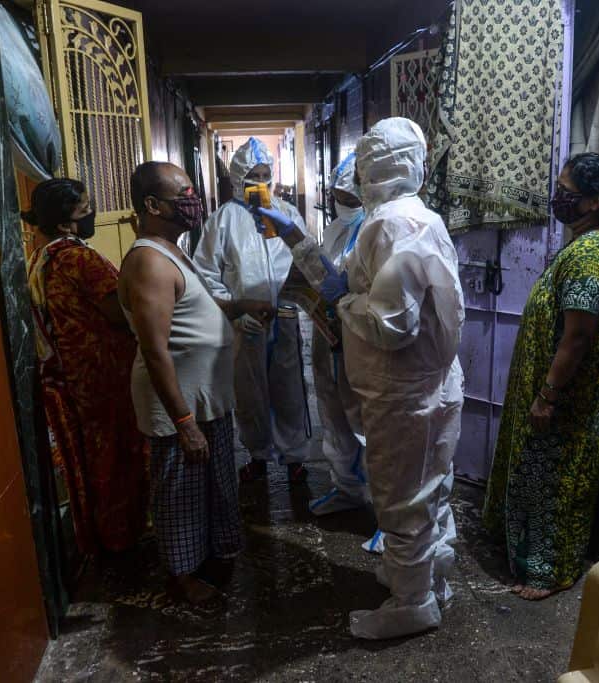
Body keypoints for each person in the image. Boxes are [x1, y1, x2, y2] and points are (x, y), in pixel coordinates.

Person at [255, 118, 465, 640]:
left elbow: (389, 323)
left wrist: (346, 305)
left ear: (373, 168)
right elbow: (338, 278)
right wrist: (296, 238)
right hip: (429, 384)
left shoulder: (391, 226)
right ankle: (423, 573)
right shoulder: (409, 218)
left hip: (404, 390)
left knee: (401, 497)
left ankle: (412, 603)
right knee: (429, 487)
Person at [119, 161, 276, 604]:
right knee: (180, 494)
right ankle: (182, 576)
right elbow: (155, 349)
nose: (194, 201)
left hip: (205, 399)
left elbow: (195, 311)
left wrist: (239, 304)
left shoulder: (173, 249)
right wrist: (184, 421)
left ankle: (208, 556)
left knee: (210, 485)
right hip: (181, 406)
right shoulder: (149, 261)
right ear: (152, 205)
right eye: (183, 194)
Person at [482, 152, 599, 601]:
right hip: (556, 392)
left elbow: (578, 336)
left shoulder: (591, 255)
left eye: (568, 193)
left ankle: (548, 572)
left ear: (594, 202)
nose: (558, 198)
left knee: (555, 483)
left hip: (568, 398)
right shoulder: (578, 247)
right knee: (535, 476)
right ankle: (527, 555)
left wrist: (547, 395)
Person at [255, 152, 385, 553]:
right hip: (329, 338)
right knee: (333, 414)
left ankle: (388, 516)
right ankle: (347, 488)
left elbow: (347, 286)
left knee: (370, 427)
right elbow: (320, 275)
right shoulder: (334, 229)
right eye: (335, 192)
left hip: (359, 342)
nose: (340, 199)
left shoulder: (377, 232)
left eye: (347, 192)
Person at [24, 178, 147, 555]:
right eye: (85, 208)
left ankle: (103, 535)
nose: (93, 213)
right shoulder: (79, 258)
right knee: (117, 456)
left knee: (94, 456)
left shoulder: (42, 257)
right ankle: (122, 538)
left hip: (73, 374)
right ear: (64, 224)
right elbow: (121, 311)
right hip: (104, 374)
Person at [193, 137, 311, 484]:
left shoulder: (286, 213)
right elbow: (206, 271)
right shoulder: (223, 220)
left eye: (265, 174)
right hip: (245, 323)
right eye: (252, 176)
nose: (260, 182)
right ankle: (258, 454)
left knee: (290, 387)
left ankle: (295, 458)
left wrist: (298, 298)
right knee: (249, 391)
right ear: (238, 179)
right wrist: (235, 310)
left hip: (285, 317)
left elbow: (305, 260)